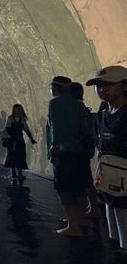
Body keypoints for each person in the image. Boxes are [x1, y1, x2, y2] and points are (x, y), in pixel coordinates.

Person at [86, 65, 127, 250]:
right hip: (109, 184)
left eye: (109, 84)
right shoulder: (102, 115)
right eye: (98, 85)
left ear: (124, 86)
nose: (102, 89)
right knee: (113, 236)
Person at [46, 76, 88, 236]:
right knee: (78, 187)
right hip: (78, 151)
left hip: (63, 152)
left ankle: (73, 225)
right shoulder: (78, 104)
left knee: (64, 188)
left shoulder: (55, 104)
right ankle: (81, 220)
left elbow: (56, 128)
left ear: (56, 88)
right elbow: (83, 128)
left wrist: (54, 149)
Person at [68, 82, 102, 218]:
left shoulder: (75, 107)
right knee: (86, 179)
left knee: (81, 181)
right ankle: (93, 207)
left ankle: (83, 212)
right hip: (84, 148)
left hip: (78, 149)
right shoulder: (81, 106)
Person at [3, 104, 37, 181]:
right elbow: (7, 128)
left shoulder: (22, 119)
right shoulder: (10, 118)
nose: (19, 110)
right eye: (17, 109)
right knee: (12, 155)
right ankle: (13, 172)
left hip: (20, 140)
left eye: (20, 109)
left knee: (21, 156)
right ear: (14, 110)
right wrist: (13, 136)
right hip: (12, 140)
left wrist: (31, 139)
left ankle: (20, 172)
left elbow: (26, 130)